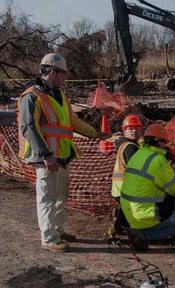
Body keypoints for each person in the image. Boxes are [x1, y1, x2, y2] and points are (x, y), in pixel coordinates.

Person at [18, 53, 111, 252]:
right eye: (62, 75)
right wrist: (46, 155)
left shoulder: (59, 96)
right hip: (46, 157)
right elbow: (28, 127)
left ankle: (57, 231)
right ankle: (49, 238)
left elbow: (72, 122)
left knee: (60, 197)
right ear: (53, 72)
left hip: (61, 155)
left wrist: (95, 134)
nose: (64, 78)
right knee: (47, 198)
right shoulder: (32, 97)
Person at [120, 123, 175, 251]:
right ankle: (143, 235)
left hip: (130, 211)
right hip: (146, 214)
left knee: (173, 199)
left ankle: (157, 225)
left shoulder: (139, 154)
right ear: (159, 142)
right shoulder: (158, 161)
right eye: (165, 142)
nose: (166, 146)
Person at [109, 114, 144, 236]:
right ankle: (118, 227)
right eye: (130, 128)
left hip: (120, 189)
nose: (134, 131)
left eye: (136, 128)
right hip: (125, 190)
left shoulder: (125, 144)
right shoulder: (130, 147)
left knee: (127, 211)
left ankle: (118, 225)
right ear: (124, 131)